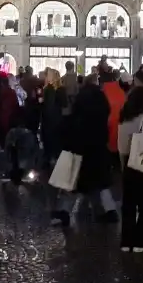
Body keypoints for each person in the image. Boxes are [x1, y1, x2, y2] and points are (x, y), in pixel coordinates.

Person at [51, 78, 117, 226]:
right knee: (101, 184)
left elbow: (67, 132)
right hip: (98, 152)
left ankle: (64, 212)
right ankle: (109, 210)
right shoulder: (101, 114)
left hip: (78, 153)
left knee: (71, 183)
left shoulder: (77, 117)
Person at [117, 86, 143, 252]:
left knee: (128, 203)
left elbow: (121, 147)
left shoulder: (124, 117)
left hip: (128, 163)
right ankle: (140, 241)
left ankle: (126, 241)